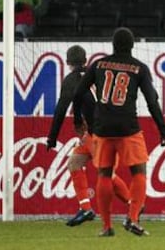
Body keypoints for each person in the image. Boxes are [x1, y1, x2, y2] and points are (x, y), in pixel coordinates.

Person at [72, 27, 165, 237]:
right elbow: (152, 101)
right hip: (128, 128)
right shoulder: (139, 68)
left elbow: (78, 93)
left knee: (104, 175)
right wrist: (163, 130)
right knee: (139, 172)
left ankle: (106, 227)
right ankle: (133, 218)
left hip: (102, 129)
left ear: (113, 45)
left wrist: (77, 119)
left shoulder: (98, 64)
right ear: (132, 46)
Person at [46, 45, 131, 227]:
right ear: (86, 60)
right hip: (102, 129)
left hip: (99, 133)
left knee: (106, 172)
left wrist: (52, 137)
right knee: (75, 163)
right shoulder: (99, 73)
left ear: (68, 63)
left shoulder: (72, 80)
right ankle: (86, 209)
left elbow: (61, 110)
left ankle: (134, 205)